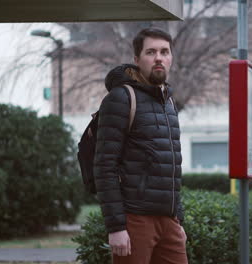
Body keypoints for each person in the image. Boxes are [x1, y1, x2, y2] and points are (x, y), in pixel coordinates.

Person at [93, 28, 187, 264]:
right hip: (135, 219)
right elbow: (105, 166)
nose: (159, 57)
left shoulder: (169, 102)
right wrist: (116, 227)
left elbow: (171, 164)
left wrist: (178, 220)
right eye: (151, 52)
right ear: (137, 60)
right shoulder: (122, 98)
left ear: (171, 58)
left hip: (169, 221)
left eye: (164, 52)